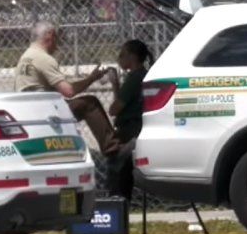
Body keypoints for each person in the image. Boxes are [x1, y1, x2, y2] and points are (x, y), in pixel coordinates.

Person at [15, 21, 118, 154]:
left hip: (29, 111)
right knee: (91, 103)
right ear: (50, 36)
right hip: (46, 112)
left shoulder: (25, 57)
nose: (57, 44)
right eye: (56, 38)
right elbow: (69, 91)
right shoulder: (43, 58)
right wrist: (92, 78)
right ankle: (113, 149)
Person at [105, 39, 152, 199]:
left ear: (132, 57)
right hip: (136, 128)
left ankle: (116, 202)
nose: (120, 58)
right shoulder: (142, 75)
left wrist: (115, 85)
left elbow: (114, 109)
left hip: (130, 130)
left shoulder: (134, 78)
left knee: (117, 166)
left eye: (122, 55)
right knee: (124, 170)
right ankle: (121, 203)